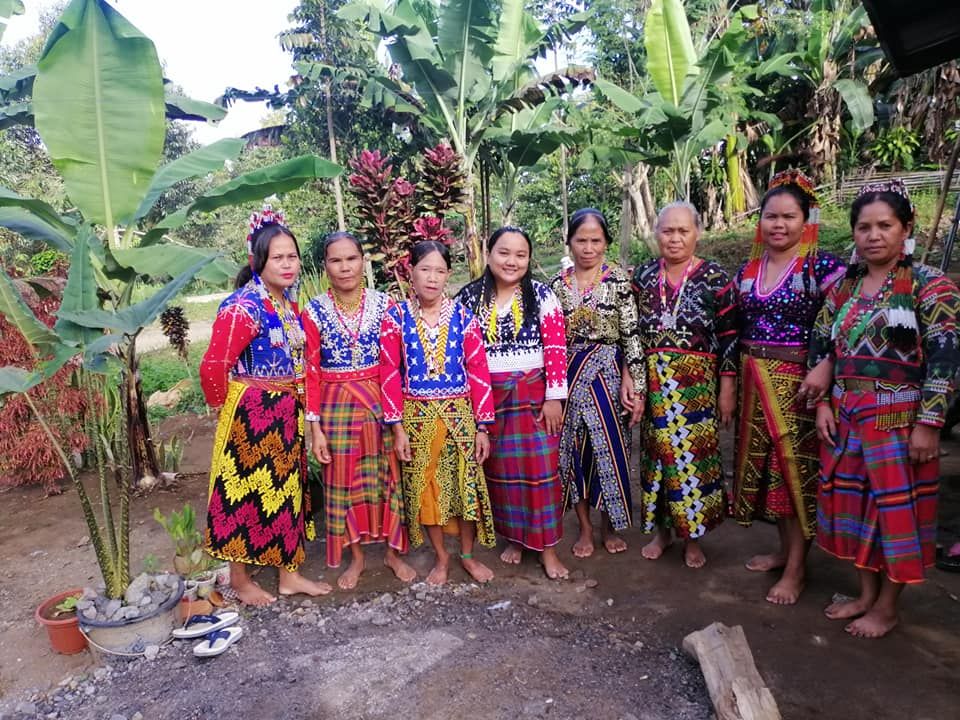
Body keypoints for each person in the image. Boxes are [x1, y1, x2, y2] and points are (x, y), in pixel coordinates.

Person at [810, 180, 960, 638]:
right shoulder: (844, 289)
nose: (873, 235)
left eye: (884, 226)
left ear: (906, 227)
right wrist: (821, 404)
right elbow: (822, 343)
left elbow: (947, 355)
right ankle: (865, 594)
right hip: (847, 414)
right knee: (853, 508)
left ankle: (888, 607)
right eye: (863, 227)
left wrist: (930, 424)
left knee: (893, 515)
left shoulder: (930, 286)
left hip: (900, 421)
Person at [199, 208, 331, 605]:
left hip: (285, 411)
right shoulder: (243, 306)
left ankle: (288, 575)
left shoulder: (289, 308)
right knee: (242, 496)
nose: (288, 264)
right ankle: (239, 581)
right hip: (250, 412)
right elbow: (215, 365)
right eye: (278, 257)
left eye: (292, 256)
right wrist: (228, 414)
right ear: (259, 261)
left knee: (287, 492)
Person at [732, 170, 845, 605]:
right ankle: (784, 551)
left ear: (806, 219)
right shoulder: (749, 270)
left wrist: (827, 367)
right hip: (753, 382)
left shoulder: (823, 268)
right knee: (769, 474)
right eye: (770, 217)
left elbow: (846, 325)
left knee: (795, 473)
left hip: (801, 385)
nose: (778, 225)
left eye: (789, 217)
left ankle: (798, 569)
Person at [303, 231, 416, 590]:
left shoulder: (387, 306)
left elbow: (393, 367)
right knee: (344, 483)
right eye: (336, 260)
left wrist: (397, 425)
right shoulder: (314, 311)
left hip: (378, 405)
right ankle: (357, 558)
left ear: (362, 261)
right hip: (335, 409)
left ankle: (392, 553)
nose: (345, 267)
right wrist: (314, 427)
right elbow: (310, 371)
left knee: (386, 480)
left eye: (351, 258)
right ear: (325, 267)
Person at [380, 241, 497, 586]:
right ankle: (442, 559)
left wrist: (482, 427)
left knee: (467, 489)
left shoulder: (464, 317)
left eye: (440, 271)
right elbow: (388, 371)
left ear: (448, 275)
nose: (432, 278)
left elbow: (478, 370)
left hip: (460, 416)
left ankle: (468, 557)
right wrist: (397, 428)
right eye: (424, 269)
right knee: (426, 490)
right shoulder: (395, 317)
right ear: (410, 272)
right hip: (416, 419)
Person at [457, 227, 570, 579]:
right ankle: (516, 539)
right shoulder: (469, 298)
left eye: (521, 255)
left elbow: (555, 348)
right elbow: (461, 356)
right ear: (488, 254)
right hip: (489, 398)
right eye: (504, 253)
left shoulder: (541, 295)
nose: (512, 261)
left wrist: (554, 397)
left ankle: (548, 549)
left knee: (542, 473)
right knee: (501, 474)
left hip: (534, 394)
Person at [632, 202, 736, 568]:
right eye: (667, 231)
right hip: (654, 383)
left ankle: (693, 538)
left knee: (693, 461)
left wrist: (727, 388)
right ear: (656, 233)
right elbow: (629, 334)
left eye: (682, 231)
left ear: (697, 233)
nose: (674, 238)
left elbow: (730, 337)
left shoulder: (716, 279)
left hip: (696, 388)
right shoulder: (642, 276)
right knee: (656, 460)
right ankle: (663, 533)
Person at [550, 208, 645, 557]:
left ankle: (608, 527)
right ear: (570, 242)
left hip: (609, 375)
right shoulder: (556, 286)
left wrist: (633, 383)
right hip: (570, 377)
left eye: (596, 240)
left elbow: (631, 336)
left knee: (612, 450)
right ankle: (585, 529)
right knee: (575, 452)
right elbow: (552, 343)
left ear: (605, 242)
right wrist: (552, 392)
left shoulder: (619, 281)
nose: (588, 248)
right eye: (581, 240)